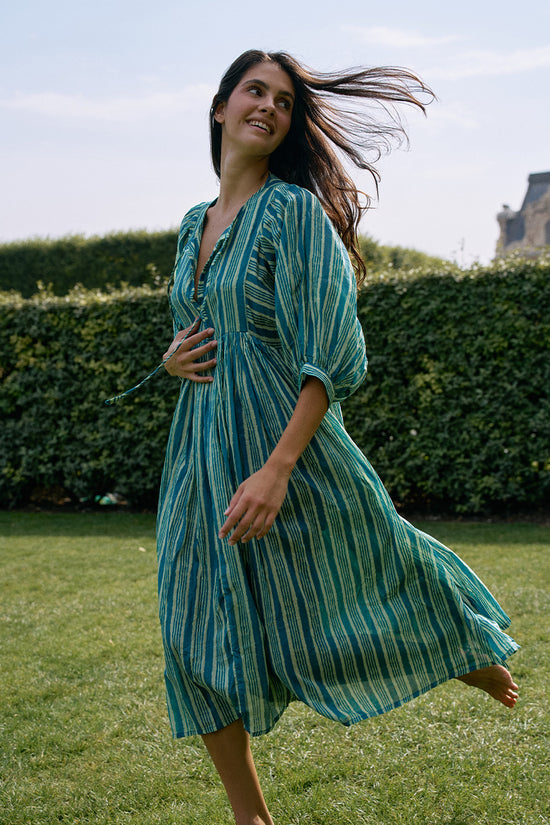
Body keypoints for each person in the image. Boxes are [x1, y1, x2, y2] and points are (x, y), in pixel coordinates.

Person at [144, 50, 519, 825]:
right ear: (220, 108)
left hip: (287, 441)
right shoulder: (191, 225)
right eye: (255, 91)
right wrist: (172, 357)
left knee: (351, 572)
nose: (269, 107)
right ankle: (251, 816)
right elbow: (200, 328)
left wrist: (279, 468)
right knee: (188, 622)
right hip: (200, 449)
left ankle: (459, 648)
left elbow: (330, 350)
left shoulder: (292, 213)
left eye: (283, 101)